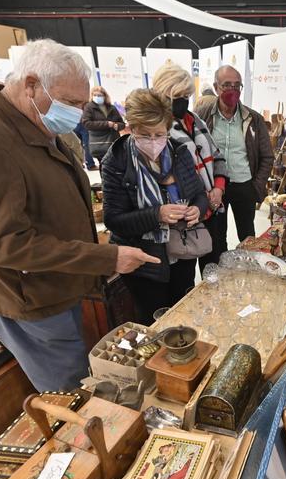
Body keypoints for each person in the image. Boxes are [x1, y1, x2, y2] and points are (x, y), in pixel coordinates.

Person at [0, 39, 158, 392]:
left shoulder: (32, 119)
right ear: (30, 85)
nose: (76, 112)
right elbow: (5, 244)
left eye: (82, 103)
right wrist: (107, 257)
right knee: (67, 389)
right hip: (28, 296)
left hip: (54, 282)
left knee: (77, 369)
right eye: (70, 102)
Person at [102, 89, 209, 324]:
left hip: (182, 251)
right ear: (131, 128)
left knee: (183, 313)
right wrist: (157, 215)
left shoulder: (179, 152)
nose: (153, 142)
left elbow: (200, 193)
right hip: (145, 263)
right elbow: (114, 220)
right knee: (155, 321)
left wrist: (197, 210)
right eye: (144, 134)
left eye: (159, 134)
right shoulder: (117, 160)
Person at [151, 64, 228, 269]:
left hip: (213, 208)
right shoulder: (160, 130)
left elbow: (217, 156)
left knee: (216, 267)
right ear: (163, 95)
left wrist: (218, 188)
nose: (184, 100)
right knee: (184, 275)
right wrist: (201, 199)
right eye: (178, 95)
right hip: (187, 214)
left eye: (187, 94)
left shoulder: (196, 120)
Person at [195, 65, 273, 244]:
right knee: (216, 238)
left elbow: (267, 157)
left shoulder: (253, 119)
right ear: (216, 87)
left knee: (247, 237)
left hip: (244, 185)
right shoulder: (203, 116)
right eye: (227, 85)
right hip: (214, 188)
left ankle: (247, 270)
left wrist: (256, 187)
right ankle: (220, 271)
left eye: (237, 85)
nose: (232, 90)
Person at [81, 85, 124, 169]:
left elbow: (121, 123)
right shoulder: (89, 107)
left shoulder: (112, 108)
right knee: (104, 166)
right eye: (95, 95)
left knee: (116, 166)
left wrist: (117, 126)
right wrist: (107, 124)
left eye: (99, 95)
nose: (97, 97)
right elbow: (87, 123)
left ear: (105, 96)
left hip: (113, 141)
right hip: (99, 142)